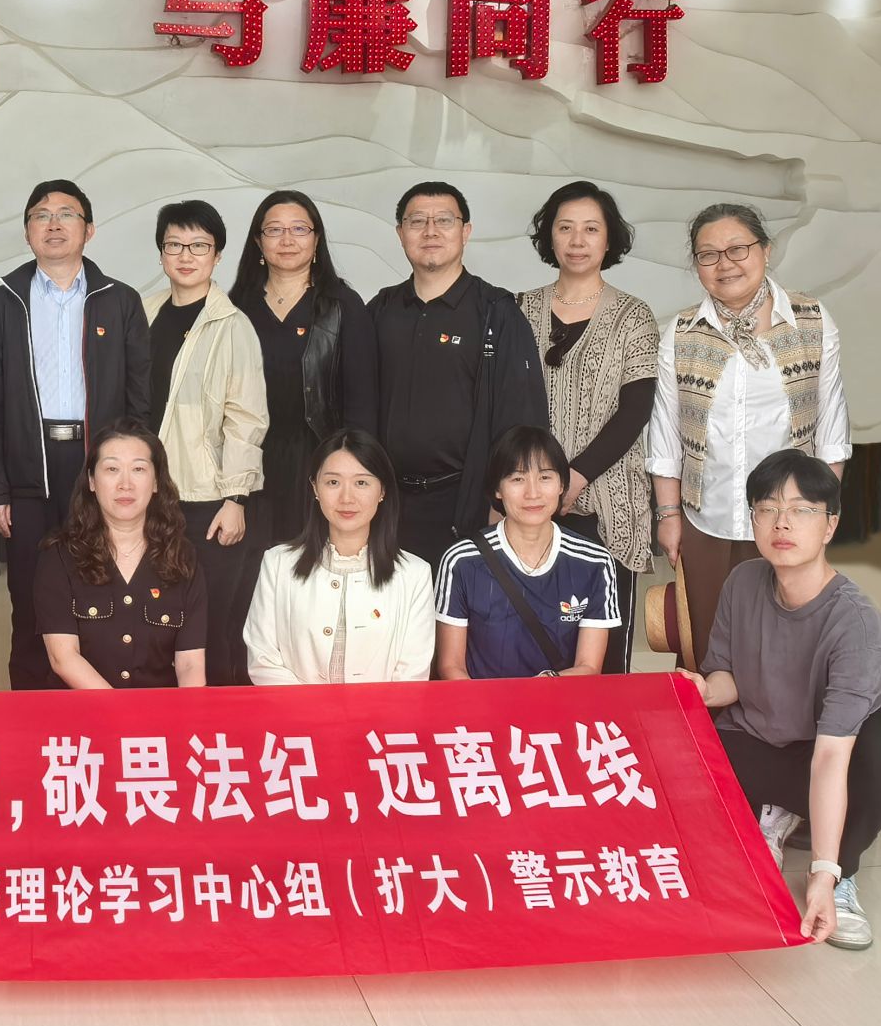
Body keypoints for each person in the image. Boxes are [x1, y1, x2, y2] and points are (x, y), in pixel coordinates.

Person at [679, 449, 881, 950]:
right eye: (767, 508)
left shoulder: (854, 623)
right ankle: (771, 815)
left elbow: (830, 756)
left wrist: (822, 873)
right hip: (756, 745)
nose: (781, 523)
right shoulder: (743, 582)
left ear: (830, 525)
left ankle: (842, 872)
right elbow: (729, 676)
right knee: (685, 744)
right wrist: (704, 691)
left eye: (801, 510)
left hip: (824, 757)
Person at [649, 203, 851, 667]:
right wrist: (669, 514)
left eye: (738, 249)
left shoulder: (811, 320)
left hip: (788, 518)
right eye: (708, 255)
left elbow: (831, 429)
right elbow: (665, 434)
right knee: (705, 646)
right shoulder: (682, 332)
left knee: (784, 650)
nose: (725, 264)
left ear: (766, 250)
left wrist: (820, 514)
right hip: (707, 518)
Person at [0, 180, 151, 689]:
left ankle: (101, 706)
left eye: (67, 214)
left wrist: (132, 474)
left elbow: (140, 401)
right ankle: (31, 709)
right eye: (41, 215)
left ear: (88, 230)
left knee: (104, 592)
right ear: (27, 231)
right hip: (28, 469)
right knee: (31, 599)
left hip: (100, 468)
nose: (53, 224)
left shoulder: (120, 301)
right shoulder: (4, 303)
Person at [370, 180, 550, 571]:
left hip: (465, 505)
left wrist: (504, 503)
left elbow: (522, 417)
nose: (430, 231)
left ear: (465, 231)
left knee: (462, 609)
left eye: (444, 220)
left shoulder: (496, 312)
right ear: (400, 233)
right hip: (386, 506)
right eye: (417, 221)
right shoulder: (380, 309)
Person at [517, 181, 659, 673]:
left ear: (609, 238)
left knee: (601, 656)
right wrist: (537, 484)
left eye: (591, 229)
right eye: (565, 228)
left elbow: (635, 412)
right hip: (527, 501)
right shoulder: (517, 309)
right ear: (550, 237)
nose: (577, 240)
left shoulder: (633, 316)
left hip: (605, 506)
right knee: (528, 645)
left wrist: (573, 478)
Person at [145, 200, 267, 685]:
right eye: (174, 245)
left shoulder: (233, 325)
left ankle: (213, 721)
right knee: (153, 618)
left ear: (217, 255)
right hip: (145, 493)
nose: (185, 256)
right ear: (161, 253)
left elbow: (246, 419)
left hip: (207, 498)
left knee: (209, 623)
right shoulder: (142, 312)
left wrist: (235, 498)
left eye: (199, 246)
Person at [229, 189, 379, 545]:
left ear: (316, 239)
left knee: (311, 563)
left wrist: (351, 476)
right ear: (258, 241)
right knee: (251, 567)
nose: (287, 240)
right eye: (274, 230)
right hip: (248, 465)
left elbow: (362, 403)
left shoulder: (343, 305)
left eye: (299, 229)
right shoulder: (235, 306)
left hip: (320, 461)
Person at [245, 428, 436, 684]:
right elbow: (263, 661)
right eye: (333, 482)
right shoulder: (277, 564)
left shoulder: (415, 574)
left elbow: (412, 674)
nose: (347, 498)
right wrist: (314, 709)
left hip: (381, 712)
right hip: (294, 711)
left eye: (361, 483)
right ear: (315, 487)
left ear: (382, 490)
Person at [434, 426, 621, 680]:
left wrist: (540, 690)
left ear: (562, 484)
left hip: (558, 700)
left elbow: (588, 667)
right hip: (483, 702)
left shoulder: (595, 562)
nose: (533, 493)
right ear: (497, 489)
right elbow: (451, 668)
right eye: (517, 479)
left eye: (545, 477)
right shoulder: (461, 561)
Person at [36, 421, 207, 689]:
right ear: (92, 481)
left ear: (156, 482)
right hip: (81, 711)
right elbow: (63, 658)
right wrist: (124, 712)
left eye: (138, 469)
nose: (125, 484)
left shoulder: (182, 557)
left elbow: (190, 665)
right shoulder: (59, 556)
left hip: (159, 711)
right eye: (112, 469)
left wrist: (189, 712)